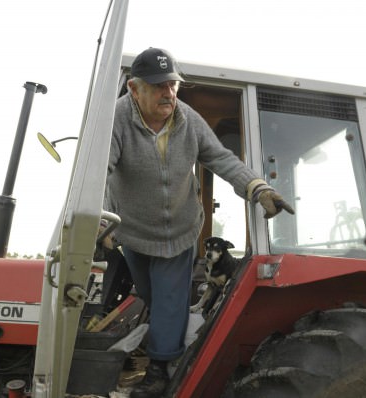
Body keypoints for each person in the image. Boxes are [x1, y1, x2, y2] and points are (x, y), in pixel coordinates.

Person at [106, 47, 293, 398]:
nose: (168, 92)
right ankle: (168, 339)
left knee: (169, 298)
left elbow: (221, 158)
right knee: (152, 294)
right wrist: (100, 222)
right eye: (159, 85)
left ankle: (161, 369)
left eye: (173, 84)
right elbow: (102, 170)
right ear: (134, 89)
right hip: (133, 231)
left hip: (179, 231)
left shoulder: (188, 120)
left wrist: (257, 187)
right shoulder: (117, 119)